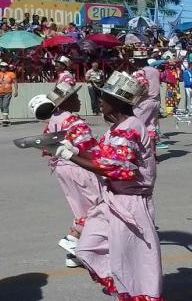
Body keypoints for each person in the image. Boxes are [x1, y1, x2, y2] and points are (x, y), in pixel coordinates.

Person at [51, 71, 163, 300]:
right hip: (112, 200)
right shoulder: (115, 129)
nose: (99, 101)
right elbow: (100, 157)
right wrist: (71, 151)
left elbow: (118, 170)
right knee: (87, 249)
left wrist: (68, 154)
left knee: (132, 262)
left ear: (117, 102)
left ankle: (135, 293)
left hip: (131, 203)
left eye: (104, 97)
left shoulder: (131, 127)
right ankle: (125, 288)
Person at [42, 82, 101, 267]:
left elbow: (45, 147)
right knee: (97, 206)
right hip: (78, 167)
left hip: (61, 168)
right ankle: (73, 239)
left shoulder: (54, 120)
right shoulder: (73, 121)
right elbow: (89, 148)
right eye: (75, 97)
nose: (79, 101)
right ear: (65, 102)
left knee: (80, 208)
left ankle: (74, 256)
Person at [132, 49, 163, 152]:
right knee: (151, 127)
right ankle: (153, 154)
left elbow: (142, 88)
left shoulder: (141, 72)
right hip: (156, 101)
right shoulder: (155, 71)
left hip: (145, 102)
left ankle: (139, 152)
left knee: (135, 125)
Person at [0, 62, 18, 126]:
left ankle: (4, 120)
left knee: (5, 105)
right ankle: (7, 119)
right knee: (1, 107)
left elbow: (15, 82)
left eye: (5, 66)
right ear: (0, 67)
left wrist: (16, 91)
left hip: (8, 92)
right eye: (2, 66)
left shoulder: (11, 74)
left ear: (7, 67)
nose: (3, 68)